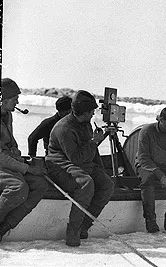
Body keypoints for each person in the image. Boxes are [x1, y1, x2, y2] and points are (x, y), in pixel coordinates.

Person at [45, 90, 114, 247]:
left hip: (81, 164)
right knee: (85, 183)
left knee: (107, 185)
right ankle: (73, 231)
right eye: (92, 112)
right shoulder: (64, 128)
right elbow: (75, 158)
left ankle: (84, 226)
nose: (93, 115)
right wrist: (94, 142)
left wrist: (97, 143)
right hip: (60, 165)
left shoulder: (85, 123)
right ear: (85, 112)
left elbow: (90, 152)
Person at [0, 78, 48, 242]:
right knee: (18, 188)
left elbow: (10, 146)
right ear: (3, 99)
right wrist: (26, 168)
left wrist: (24, 161)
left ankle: (5, 227)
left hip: (8, 164)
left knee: (40, 185)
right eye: (14, 99)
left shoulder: (7, 116)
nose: (17, 102)